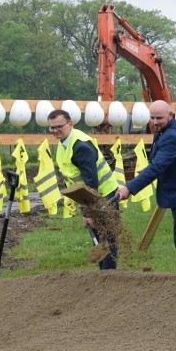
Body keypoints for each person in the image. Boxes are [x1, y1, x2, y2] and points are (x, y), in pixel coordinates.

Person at [117, 100, 176, 273]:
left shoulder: (173, 137)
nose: (155, 122)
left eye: (159, 117)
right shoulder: (163, 131)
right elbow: (159, 161)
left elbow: (157, 167)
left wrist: (129, 188)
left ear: (171, 115)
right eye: (152, 118)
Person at [47, 109, 120, 270]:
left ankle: (109, 278)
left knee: (107, 238)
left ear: (70, 124)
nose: (55, 131)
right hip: (89, 197)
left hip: (103, 196)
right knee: (99, 238)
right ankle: (104, 274)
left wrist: (90, 214)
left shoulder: (81, 146)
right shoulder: (64, 142)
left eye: (59, 126)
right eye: (51, 127)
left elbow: (91, 184)